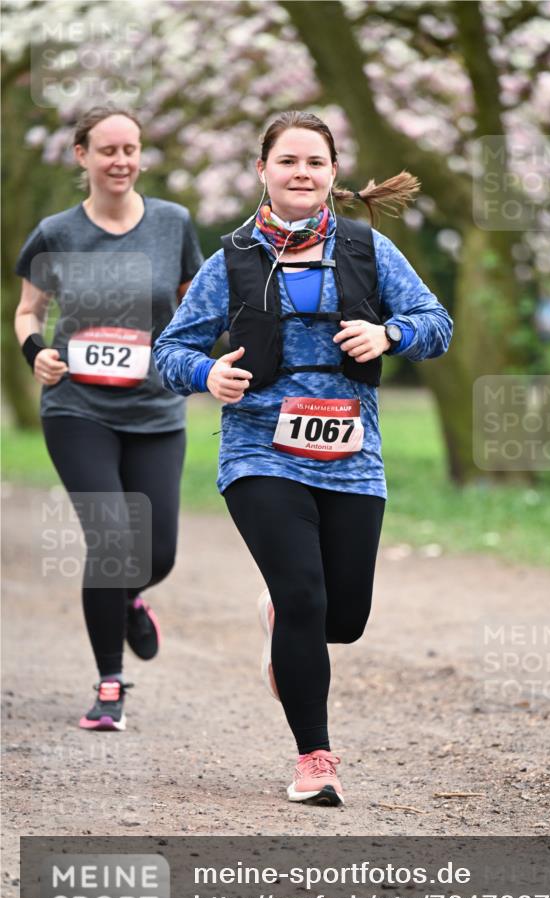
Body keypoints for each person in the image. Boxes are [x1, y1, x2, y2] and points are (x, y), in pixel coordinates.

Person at [154, 110, 452, 805]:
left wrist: (390, 334)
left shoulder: (367, 249)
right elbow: (169, 352)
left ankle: (279, 616)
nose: (300, 174)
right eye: (286, 161)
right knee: (303, 597)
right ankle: (314, 758)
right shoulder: (230, 257)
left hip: (352, 450)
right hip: (260, 449)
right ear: (262, 172)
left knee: (340, 620)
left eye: (313, 162)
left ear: (332, 174)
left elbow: (436, 325)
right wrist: (207, 377)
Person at [15, 106, 204, 732]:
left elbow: (192, 302)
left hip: (155, 408)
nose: (120, 161)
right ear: (81, 156)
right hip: (77, 407)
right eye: (107, 150)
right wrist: (36, 352)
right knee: (110, 541)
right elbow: (27, 312)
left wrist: (201, 357)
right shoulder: (55, 232)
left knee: (159, 551)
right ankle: (109, 684)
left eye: (130, 149)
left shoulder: (174, 223)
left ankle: (128, 599)